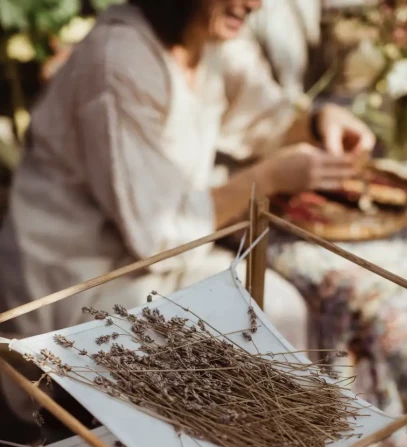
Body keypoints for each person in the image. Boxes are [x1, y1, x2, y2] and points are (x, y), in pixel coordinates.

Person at [0, 0, 375, 342]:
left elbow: (263, 118)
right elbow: (157, 235)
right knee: (272, 311)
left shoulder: (209, 41)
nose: (255, 5)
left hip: (155, 263)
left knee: (296, 305)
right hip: (82, 288)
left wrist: (318, 122)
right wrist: (268, 179)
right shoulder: (119, 61)